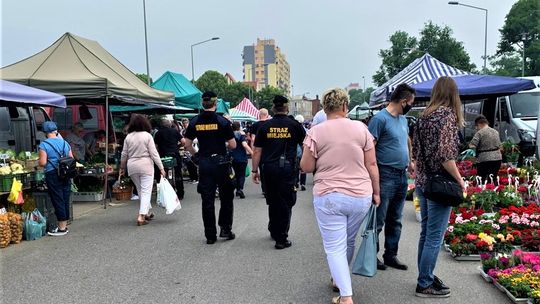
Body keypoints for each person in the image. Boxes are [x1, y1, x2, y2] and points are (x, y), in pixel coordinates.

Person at [300, 88, 380, 304]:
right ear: (346, 106)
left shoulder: (315, 132)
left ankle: (346, 296)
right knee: (348, 241)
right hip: (360, 195)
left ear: (325, 109)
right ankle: (339, 280)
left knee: (334, 246)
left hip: (329, 195)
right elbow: (371, 164)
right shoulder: (362, 129)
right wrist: (377, 192)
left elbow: (306, 166)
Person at [413, 76, 465, 298]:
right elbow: (446, 156)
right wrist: (460, 180)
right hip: (440, 184)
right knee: (435, 236)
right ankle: (424, 283)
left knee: (426, 234)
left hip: (424, 182)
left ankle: (425, 275)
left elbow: (416, 151)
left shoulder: (423, 117)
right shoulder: (447, 116)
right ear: (453, 94)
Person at [367, 83, 416, 271]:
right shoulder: (379, 119)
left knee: (395, 219)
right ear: (403, 101)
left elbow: (406, 140)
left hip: (401, 174)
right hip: (385, 174)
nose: (411, 105)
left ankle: (391, 255)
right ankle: (372, 255)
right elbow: (370, 148)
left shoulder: (403, 119)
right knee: (379, 220)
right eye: (410, 102)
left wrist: (410, 160)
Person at [251, 95, 306, 249]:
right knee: (286, 201)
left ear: (273, 109)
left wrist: (255, 170)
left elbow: (256, 151)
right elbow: (305, 146)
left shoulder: (265, 126)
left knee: (273, 199)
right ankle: (281, 238)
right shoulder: (295, 125)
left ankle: (274, 230)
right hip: (287, 169)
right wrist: (304, 165)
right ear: (287, 108)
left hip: (268, 168)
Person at [184, 91, 237, 245]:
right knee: (226, 197)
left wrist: (196, 156)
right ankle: (225, 229)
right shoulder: (222, 121)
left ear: (203, 103)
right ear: (215, 103)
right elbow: (233, 144)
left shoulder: (195, 121)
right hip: (221, 162)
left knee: (207, 200)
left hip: (205, 163)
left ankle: (210, 235)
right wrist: (222, 144)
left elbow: (187, 144)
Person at [119, 114, 165, 226]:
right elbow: (154, 154)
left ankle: (147, 212)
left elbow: (124, 154)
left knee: (140, 190)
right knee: (146, 191)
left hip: (132, 165)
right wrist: (161, 167)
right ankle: (141, 215)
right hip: (146, 165)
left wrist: (122, 167)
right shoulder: (147, 136)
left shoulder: (128, 137)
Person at [38, 121, 74, 236]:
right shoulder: (64, 143)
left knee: (57, 199)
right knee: (65, 197)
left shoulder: (44, 145)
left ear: (45, 132)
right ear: (56, 131)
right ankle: (64, 224)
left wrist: (38, 162)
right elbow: (71, 158)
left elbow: (43, 162)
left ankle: (62, 228)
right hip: (65, 174)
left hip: (53, 174)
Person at [154, 118, 185, 200]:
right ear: (170, 124)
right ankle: (180, 193)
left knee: (161, 174)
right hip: (174, 154)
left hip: (163, 156)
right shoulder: (174, 131)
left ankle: (161, 194)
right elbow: (183, 141)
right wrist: (178, 147)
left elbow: (156, 146)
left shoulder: (158, 133)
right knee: (178, 173)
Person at [469, 115, 502, 184]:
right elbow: (500, 146)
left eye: (476, 126)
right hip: (497, 158)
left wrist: (473, 156)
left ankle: (481, 193)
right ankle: (494, 192)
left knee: (481, 179)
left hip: (484, 159)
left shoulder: (480, 133)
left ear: (479, 124)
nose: (476, 128)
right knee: (493, 178)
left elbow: (472, 145)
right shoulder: (496, 132)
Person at [231, 121, 253, 199]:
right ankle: (239, 189)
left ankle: (234, 188)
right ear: (239, 126)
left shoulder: (230, 135)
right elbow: (244, 145)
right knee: (241, 175)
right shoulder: (241, 135)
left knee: (236, 174)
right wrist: (252, 153)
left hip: (233, 158)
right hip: (242, 158)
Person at [181, 118, 199, 183]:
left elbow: (197, 139)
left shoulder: (192, 130)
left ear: (188, 123)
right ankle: (192, 178)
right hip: (185, 149)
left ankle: (196, 178)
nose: (185, 124)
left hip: (193, 149)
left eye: (186, 123)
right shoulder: (182, 131)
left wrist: (188, 141)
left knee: (193, 164)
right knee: (188, 164)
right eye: (183, 123)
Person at [294, 114, 307, 191]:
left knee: (295, 169)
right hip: (303, 152)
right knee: (303, 168)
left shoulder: (293, 130)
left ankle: (296, 183)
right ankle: (303, 183)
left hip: (295, 152)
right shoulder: (305, 130)